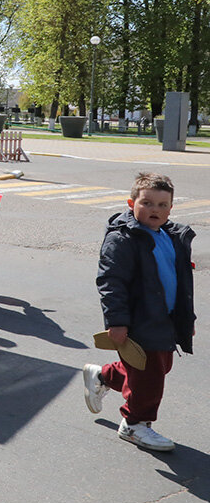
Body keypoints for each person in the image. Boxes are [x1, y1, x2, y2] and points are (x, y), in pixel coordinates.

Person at [83, 173, 194, 453]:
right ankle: (134, 424)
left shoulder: (171, 236)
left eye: (162, 204)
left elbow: (181, 283)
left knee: (157, 367)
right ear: (131, 203)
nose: (154, 209)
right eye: (147, 203)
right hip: (139, 319)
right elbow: (111, 282)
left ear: (171, 208)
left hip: (165, 317)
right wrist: (117, 322)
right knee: (151, 376)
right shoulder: (123, 239)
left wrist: (186, 319)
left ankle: (104, 376)